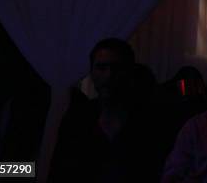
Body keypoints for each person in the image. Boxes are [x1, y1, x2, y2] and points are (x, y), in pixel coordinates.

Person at [49, 38, 165, 183]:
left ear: (129, 72)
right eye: (101, 68)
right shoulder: (78, 117)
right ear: (91, 72)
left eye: (117, 68)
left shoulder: (149, 121)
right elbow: (59, 170)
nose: (108, 75)